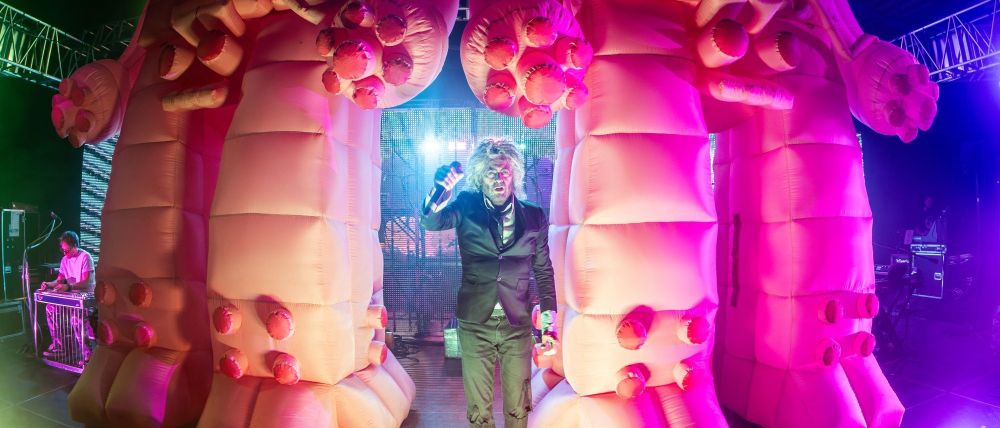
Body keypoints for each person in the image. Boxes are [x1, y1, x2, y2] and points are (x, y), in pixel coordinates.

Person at [421, 138, 557, 428]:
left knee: (518, 408)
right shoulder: (466, 205)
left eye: (504, 171)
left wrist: (549, 325)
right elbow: (431, 222)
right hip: (475, 323)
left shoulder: (534, 215)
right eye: (490, 172)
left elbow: (544, 271)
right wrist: (441, 189)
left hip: (516, 324)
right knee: (479, 412)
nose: (498, 178)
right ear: (479, 177)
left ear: (514, 173)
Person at [38, 231, 96, 359]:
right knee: (50, 309)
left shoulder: (85, 257)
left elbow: (86, 282)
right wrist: (48, 284)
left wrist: (69, 287)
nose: (65, 253)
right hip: (72, 299)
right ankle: (60, 346)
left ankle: (87, 354)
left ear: (75, 245)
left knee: (76, 318)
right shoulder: (65, 260)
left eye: (67, 250)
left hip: (86, 300)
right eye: (63, 250)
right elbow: (59, 280)